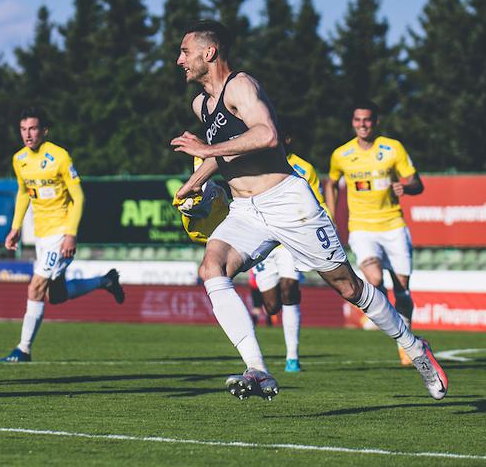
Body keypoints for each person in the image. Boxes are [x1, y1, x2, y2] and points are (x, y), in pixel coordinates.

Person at [171, 20, 447, 401]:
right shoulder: (201, 104)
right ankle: (258, 370)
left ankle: (415, 348)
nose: (179, 60)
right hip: (246, 210)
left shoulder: (241, 85)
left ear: (209, 52)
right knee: (210, 268)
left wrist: (205, 150)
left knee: (347, 286)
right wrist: (194, 182)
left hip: (286, 201)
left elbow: (266, 134)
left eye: (185, 52)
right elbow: (230, 152)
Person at [2, 108, 124, 362]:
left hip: (61, 232)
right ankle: (106, 281)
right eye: (24, 129)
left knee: (35, 287)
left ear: (44, 130)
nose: (28, 134)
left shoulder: (59, 156)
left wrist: (70, 234)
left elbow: (78, 196)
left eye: (33, 128)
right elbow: (24, 193)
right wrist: (15, 228)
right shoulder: (19, 159)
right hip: (41, 235)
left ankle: (23, 349)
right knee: (56, 297)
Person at [326, 101, 424, 366]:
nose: (362, 124)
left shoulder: (393, 148)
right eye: (358, 120)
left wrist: (407, 187)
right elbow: (331, 183)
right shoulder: (341, 154)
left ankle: (407, 343)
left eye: (367, 120)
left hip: (393, 226)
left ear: (376, 121)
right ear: (352, 122)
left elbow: (417, 183)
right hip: (362, 228)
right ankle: (402, 336)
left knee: (402, 290)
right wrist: (332, 216)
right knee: (374, 278)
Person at [249, 128, 330, 373]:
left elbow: (318, 201)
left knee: (289, 289)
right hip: (264, 239)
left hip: (291, 239)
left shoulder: (304, 169)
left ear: (287, 138)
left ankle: (292, 358)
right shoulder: (255, 163)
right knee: (272, 305)